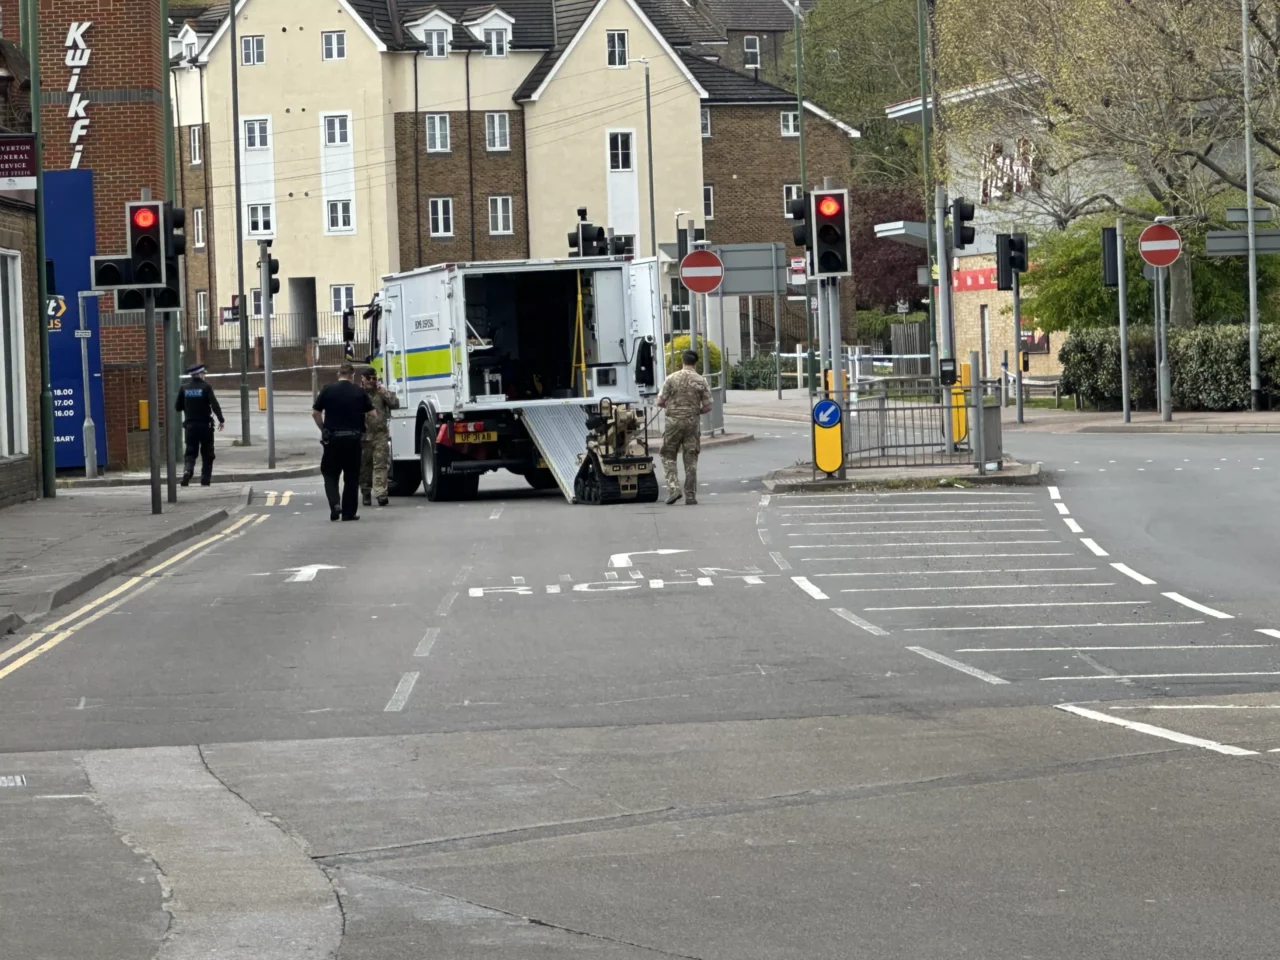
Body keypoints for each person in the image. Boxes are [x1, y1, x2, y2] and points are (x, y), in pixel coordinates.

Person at [313, 362, 373, 521]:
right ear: (352, 376)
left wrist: (323, 429)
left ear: (338, 374)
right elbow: (373, 414)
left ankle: (335, 505)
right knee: (351, 477)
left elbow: (315, 413)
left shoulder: (327, 390)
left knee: (329, 473)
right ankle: (348, 512)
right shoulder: (359, 392)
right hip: (353, 440)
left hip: (333, 439)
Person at [656, 349, 713, 505]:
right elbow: (708, 406)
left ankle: (674, 489)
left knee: (668, 455)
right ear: (695, 362)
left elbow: (660, 401)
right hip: (692, 423)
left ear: (682, 361)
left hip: (673, 422)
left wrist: (670, 406)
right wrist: (696, 411)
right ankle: (690, 495)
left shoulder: (671, 378)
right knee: (691, 457)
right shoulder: (701, 380)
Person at [175, 364, 225, 486]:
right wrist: (221, 420)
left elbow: (178, 407)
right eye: (204, 374)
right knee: (208, 453)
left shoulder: (184, 388)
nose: (205, 376)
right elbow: (215, 405)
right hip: (205, 427)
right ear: (200, 374)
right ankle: (205, 480)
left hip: (190, 427)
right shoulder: (206, 387)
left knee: (190, 452)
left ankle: (188, 471)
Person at [360, 367, 400, 507]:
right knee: (365, 466)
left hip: (380, 434)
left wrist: (385, 392)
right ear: (362, 379)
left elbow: (395, 404)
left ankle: (381, 493)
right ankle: (365, 491)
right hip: (363, 435)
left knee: (380, 464)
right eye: (369, 378)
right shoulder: (358, 393)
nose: (372, 381)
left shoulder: (381, 393)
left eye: (374, 378)